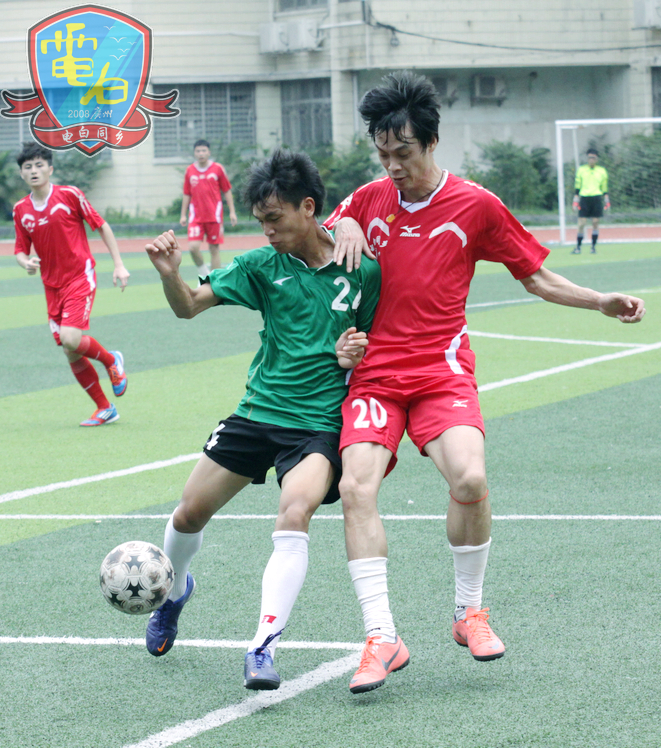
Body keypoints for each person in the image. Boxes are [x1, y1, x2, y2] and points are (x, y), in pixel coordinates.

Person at [325, 72, 645, 695]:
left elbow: (537, 276)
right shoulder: (365, 198)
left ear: (431, 142)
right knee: (355, 487)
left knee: (470, 479)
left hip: (442, 373)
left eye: (403, 152)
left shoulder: (476, 205)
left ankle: (469, 612)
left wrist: (599, 301)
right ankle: (381, 636)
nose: (392, 166)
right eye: (382, 154)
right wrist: (342, 223)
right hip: (374, 376)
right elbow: (319, 235)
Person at [144, 149, 381, 691]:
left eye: (275, 219)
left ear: (308, 207)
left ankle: (262, 646)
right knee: (188, 515)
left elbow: (380, 343)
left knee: (294, 512)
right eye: (260, 222)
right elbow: (188, 306)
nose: (267, 231)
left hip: (318, 423)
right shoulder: (260, 265)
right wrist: (170, 274)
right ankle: (174, 592)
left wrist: (356, 353)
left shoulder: (362, 269)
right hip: (257, 412)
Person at [13, 142, 130, 427]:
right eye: (28, 167)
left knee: (70, 338)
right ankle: (105, 408)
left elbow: (101, 225)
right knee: (71, 351)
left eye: (39, 165)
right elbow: (20, 249)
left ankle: (111, 360)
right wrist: (25, 262)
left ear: (50, 169)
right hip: (51, 286)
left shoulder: (69, 195)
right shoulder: (20, 210)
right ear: (22, 174)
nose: (34, 171)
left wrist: (118, 264)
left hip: (80, 277)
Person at [180, 139, 238, 276]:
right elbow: (187, 193)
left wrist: (232, 212)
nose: (201, 153)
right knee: (193, 247)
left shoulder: (217, 169)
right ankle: (204, 273)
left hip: (214, 216)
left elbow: (227, 190)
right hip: (196, 217)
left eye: (203, 150)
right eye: (198, 151)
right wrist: (183, 214)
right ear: (194, 153)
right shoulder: (190, 170)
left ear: (209, 152)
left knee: (214, 249)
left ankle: (214, 280)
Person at [572, 147, 610, 254]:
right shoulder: (581, 170)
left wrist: (606, 199)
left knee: (595, 222)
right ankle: (578, 247)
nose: (591, 160)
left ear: (596, 159)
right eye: (589, 158)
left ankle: (593, 247)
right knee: (581, 223)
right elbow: (578, 185)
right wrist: (575, 200)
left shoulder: (602, 171)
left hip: (596, 198)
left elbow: (604, 186)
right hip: (584, 198)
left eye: (593, 158)